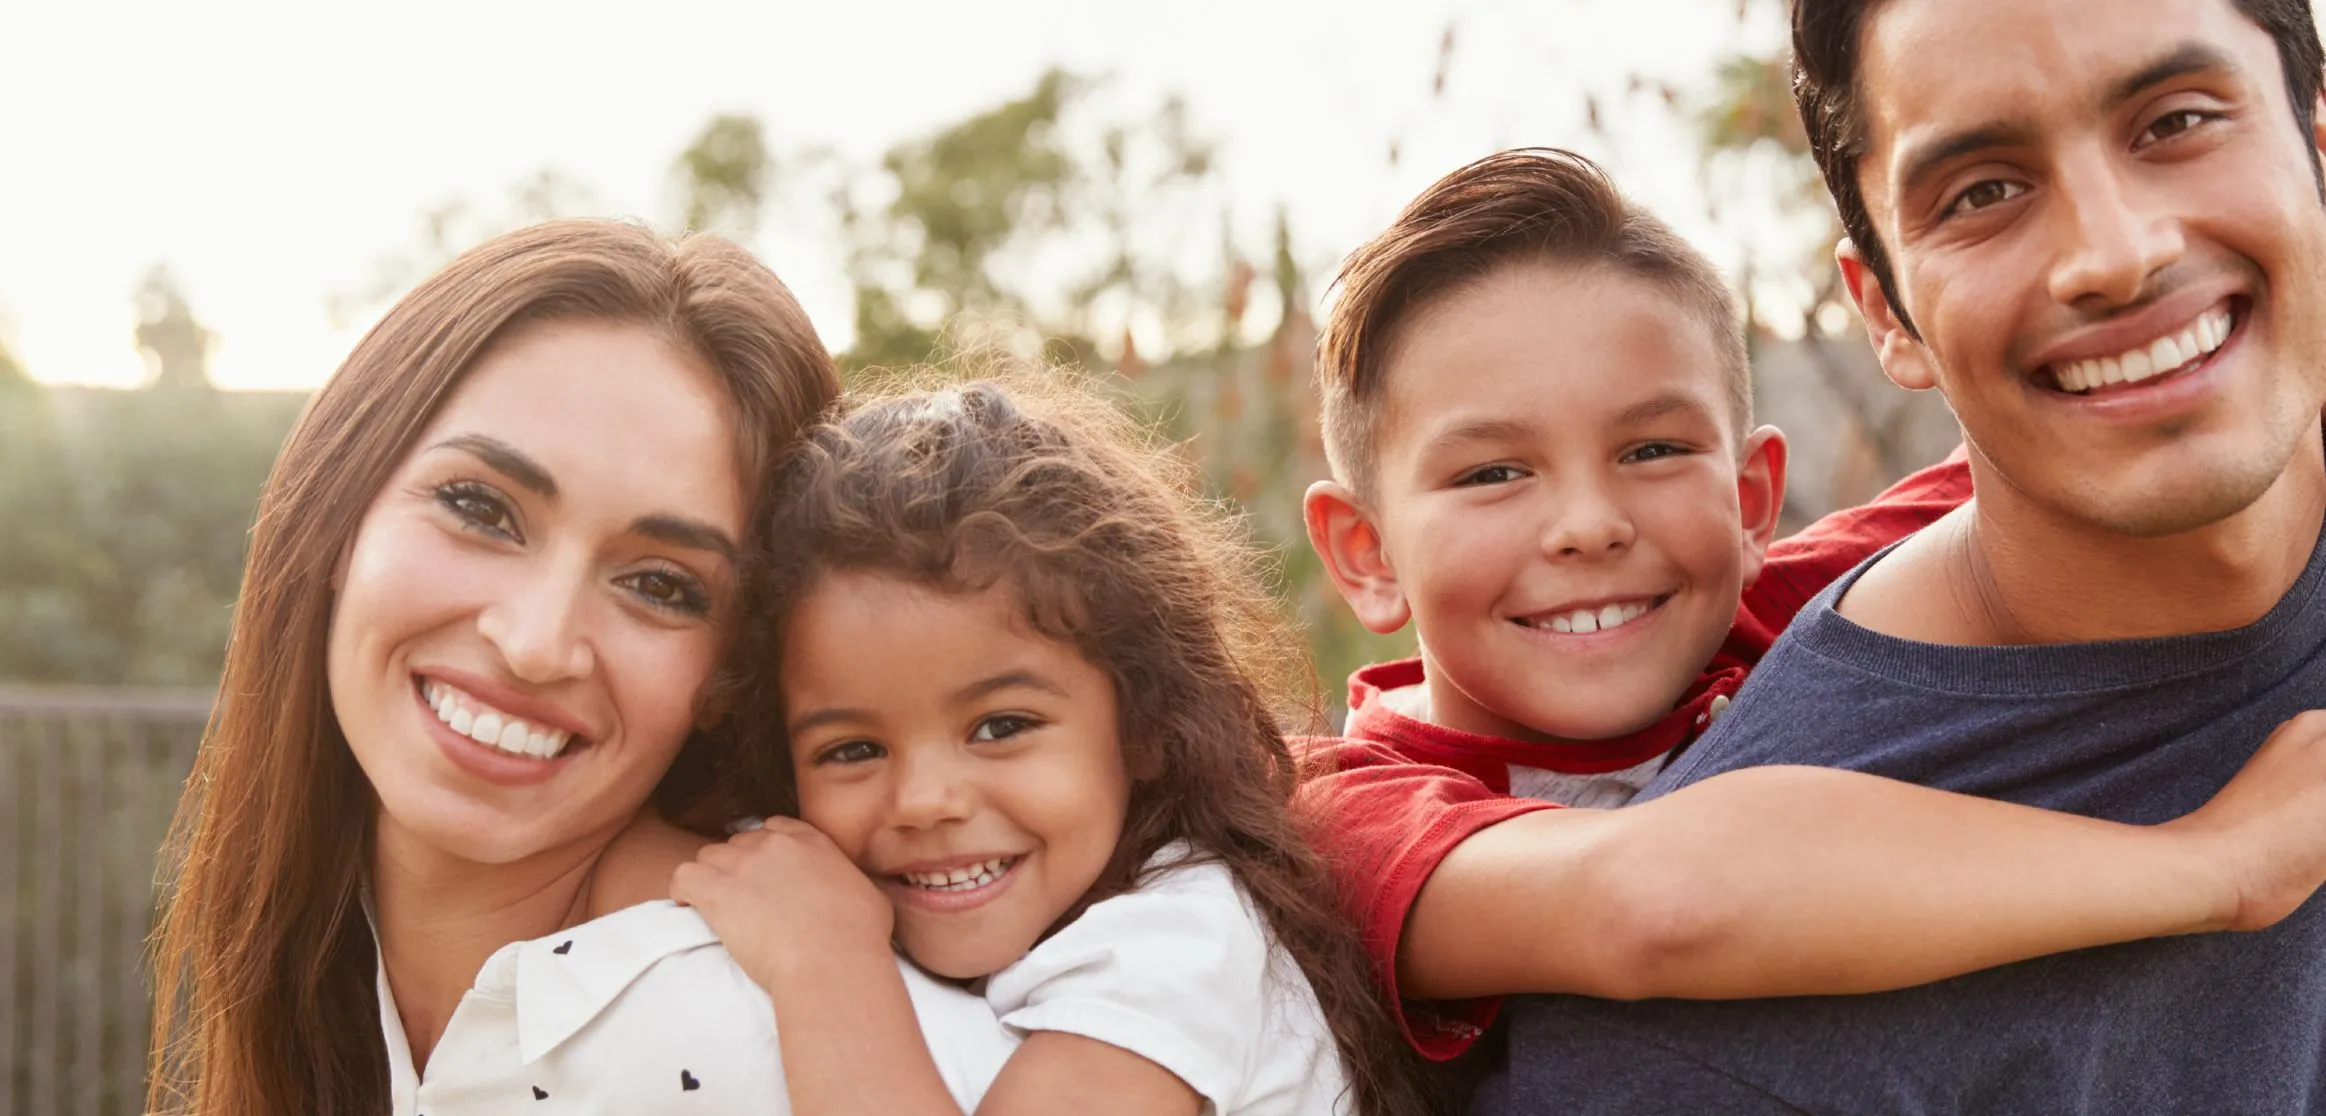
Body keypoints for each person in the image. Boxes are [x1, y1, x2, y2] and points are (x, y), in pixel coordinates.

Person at [1292, 144, 2326, 1064]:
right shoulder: (1343, 810)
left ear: (1749, 503)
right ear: (1366, 551)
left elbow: (2039, 461)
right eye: (1490, 475)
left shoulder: (1787, 610)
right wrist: (2215, 865)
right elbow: (1657, 902)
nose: (1587, 525)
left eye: (1652, 451)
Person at [1480, 0, 2326, 1111]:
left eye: (2174, 122)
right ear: (1885, 312)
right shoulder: (1708, 1045)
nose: (2115, 255)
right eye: (1981, 192)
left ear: (2315, 150)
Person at [145, 220, 1013, 1115]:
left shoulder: (743, 1035)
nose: (535, 642)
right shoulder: (337, 965)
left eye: (661, 585)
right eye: (480, 508)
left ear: (732, 677)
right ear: (338, 513)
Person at [667, 377, 1444, 1116]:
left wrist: (826, 961)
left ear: (1143, 727)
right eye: (851, 750)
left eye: (1001, 728)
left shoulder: (1178, 945)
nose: (923, 800)